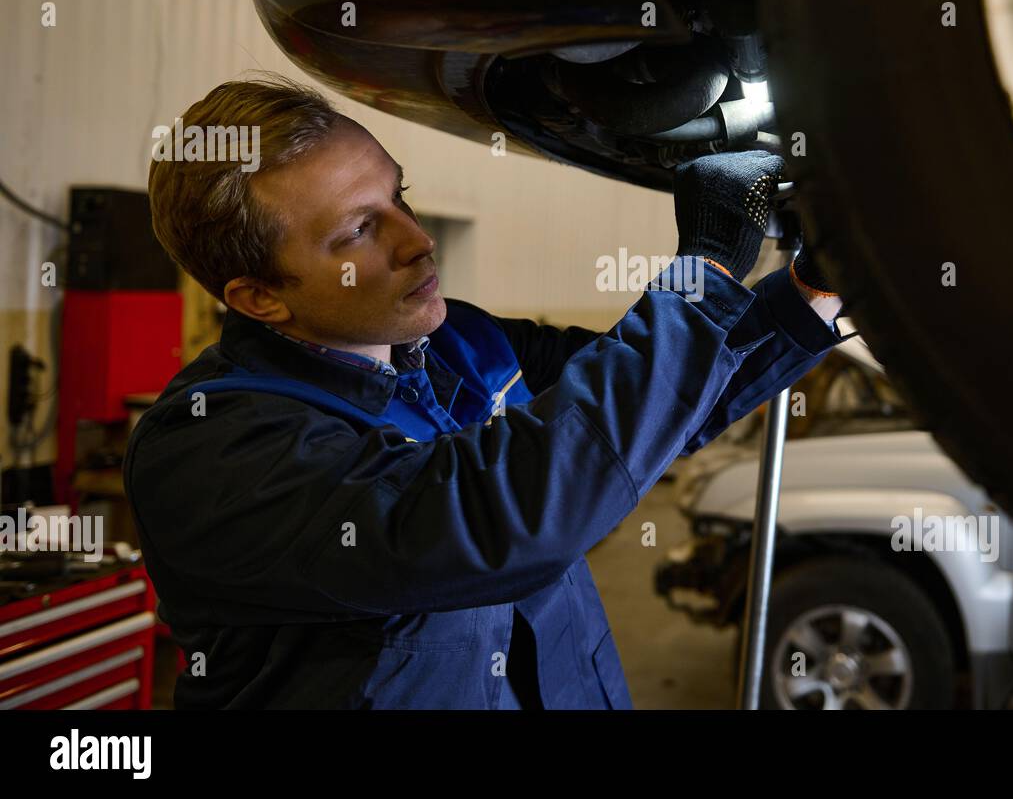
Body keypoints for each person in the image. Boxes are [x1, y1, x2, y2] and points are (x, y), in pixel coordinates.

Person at [125, 73, 849, 709]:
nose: (417, 239)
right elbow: (502, 519)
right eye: (358, 231)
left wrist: (818, 287)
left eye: (398, 194)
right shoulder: (212, 455)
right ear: (258, 299)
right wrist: (705, 270)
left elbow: (657, 410)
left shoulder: (458, 344)